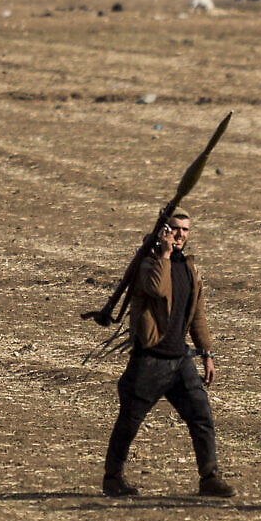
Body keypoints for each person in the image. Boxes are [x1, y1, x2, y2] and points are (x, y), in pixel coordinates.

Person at [102, 212, 234, 498]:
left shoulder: (188, 267)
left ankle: (210, 477)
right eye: (175, 229)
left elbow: (196, 314)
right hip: (150, 358)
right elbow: (156, 289)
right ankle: (113, 477)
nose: (180, 235)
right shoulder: (148, 264)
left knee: (201, 417)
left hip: (180, 360)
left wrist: (206, 353)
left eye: (185, 230)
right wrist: (162, 253)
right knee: (130, 420)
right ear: (163, 231)